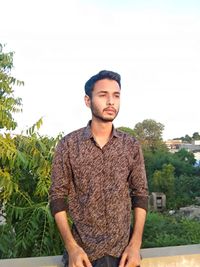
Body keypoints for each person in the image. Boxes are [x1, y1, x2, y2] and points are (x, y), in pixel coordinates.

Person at [49, 70, 148, 267]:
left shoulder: (130, 145)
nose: (111, 102)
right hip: (83, 255)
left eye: (116, 95)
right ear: (88, 100)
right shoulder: (68, 145)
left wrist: (135, 245)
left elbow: (141, 194)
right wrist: (72, 248)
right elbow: (57, 198)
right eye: (103, 95)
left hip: (124, 255)